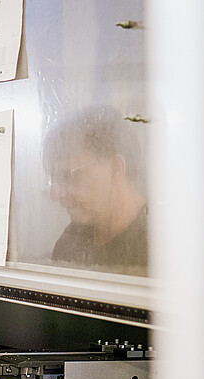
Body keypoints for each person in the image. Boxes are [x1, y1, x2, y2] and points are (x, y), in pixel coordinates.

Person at [44, 106, 149, 276]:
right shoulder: (70, 242)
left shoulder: (165, 247)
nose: (55, 194)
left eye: (68, 176)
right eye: (53, 180)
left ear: (115, 168)